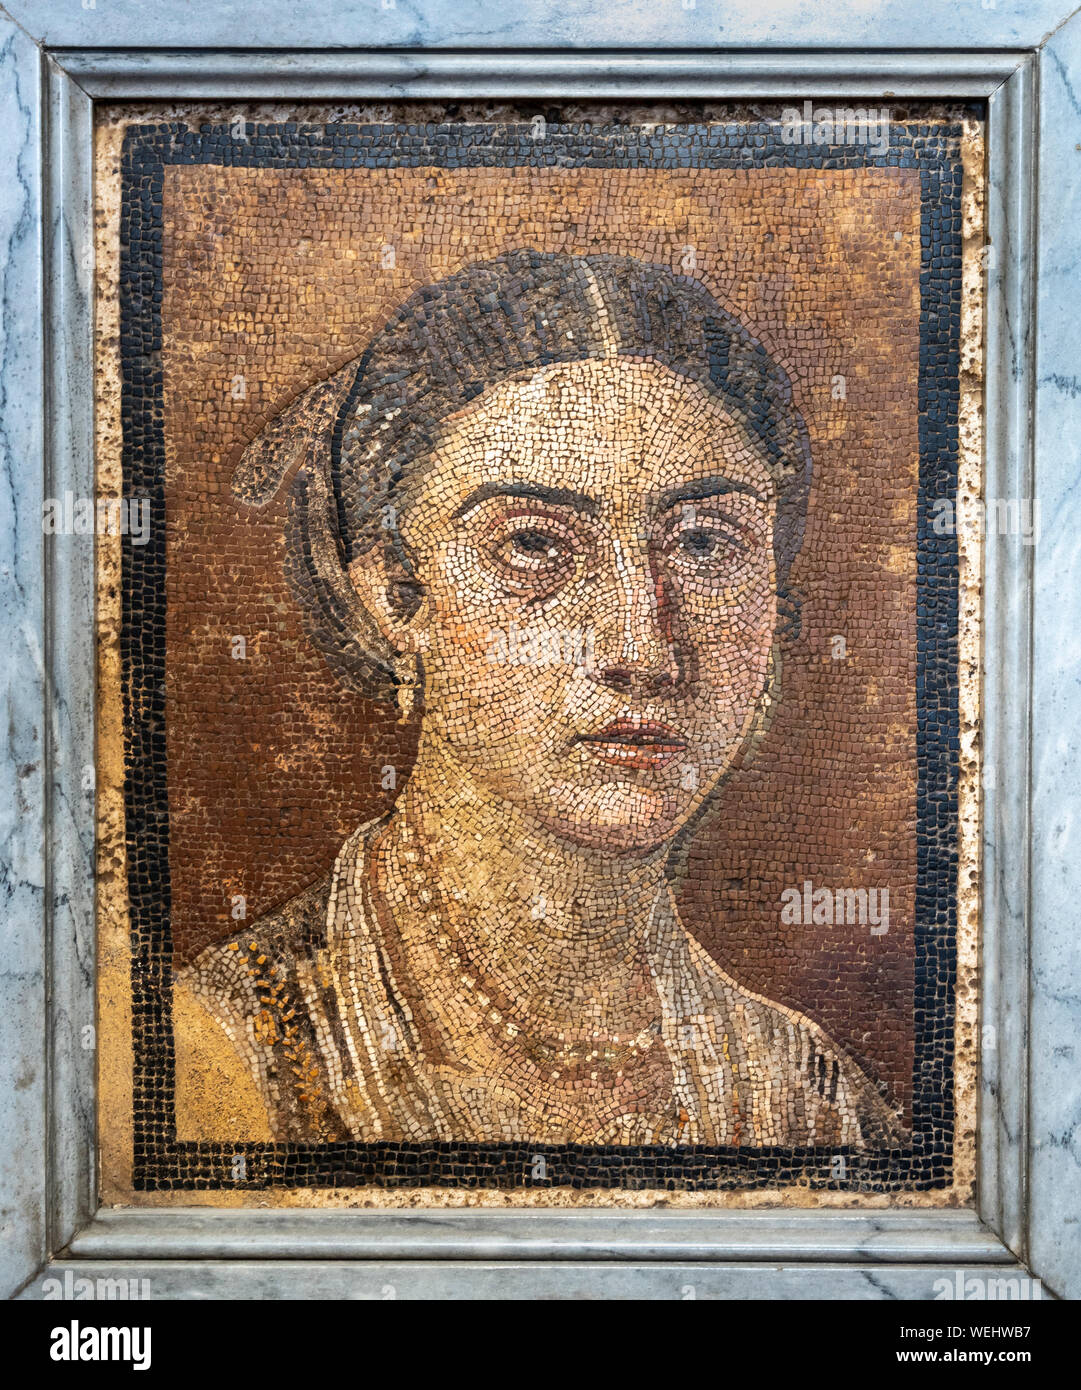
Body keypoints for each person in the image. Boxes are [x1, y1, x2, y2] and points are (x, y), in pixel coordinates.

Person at [174, 249, 904, 1148]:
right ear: (398, 597)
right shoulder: (220, 1054)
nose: (643, 649)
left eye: (707, 546)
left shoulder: (816, 1103)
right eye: (530, 545)